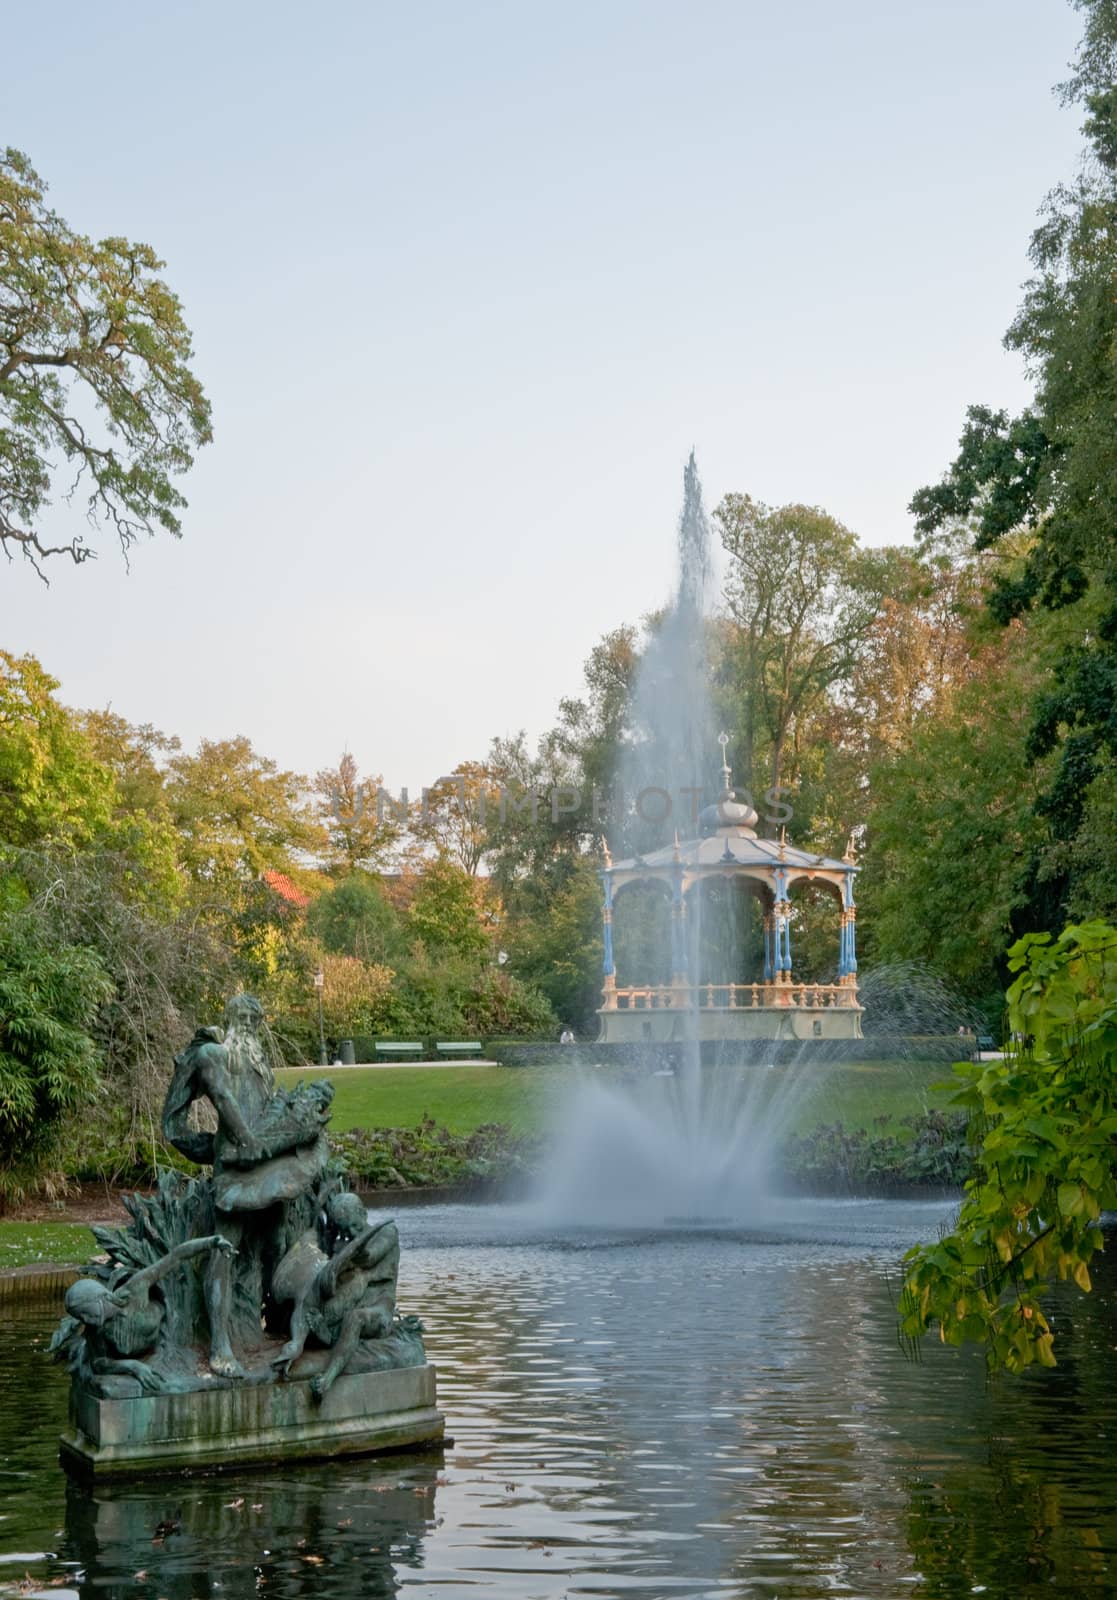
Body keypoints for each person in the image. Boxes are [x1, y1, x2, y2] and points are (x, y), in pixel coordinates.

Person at [162, 995, 331, 1377]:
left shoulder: (257, 1062)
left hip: (269, 1164)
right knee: (225, 1249)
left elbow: (262, 1107)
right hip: (237, 1167)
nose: (252, 1025)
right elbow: (208, 1106)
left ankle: (287, 1329)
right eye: (246, 1018)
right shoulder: (212, 1054)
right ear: (231, 1018)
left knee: (277, 1244)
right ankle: (221, 1345)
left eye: (256, 1019)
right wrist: (224, 1147)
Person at [54, 1235, 234, 1392]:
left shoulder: (133, 1289)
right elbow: (99, 1363)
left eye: (86, 1312)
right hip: (147, 1354)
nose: (85, 1319)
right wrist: (132, 1366)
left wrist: (212, 1241)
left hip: (171, 1332)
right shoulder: (96, 1331)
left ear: (101, 1297)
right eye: (80, 1317)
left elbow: (175, 1257)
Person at [271, 1191, 400, 1399]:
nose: (350, 1232)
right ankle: (316, 1339)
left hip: (379, 1307)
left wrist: (349, 1249)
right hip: (347, 1301)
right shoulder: (342, 1244)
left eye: (354, 1226)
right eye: (344, 1230)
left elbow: (369, 1257)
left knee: (355, 1318)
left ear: (363, 1212)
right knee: (311, 1303)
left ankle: (327, 1378)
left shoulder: (386, 1232)